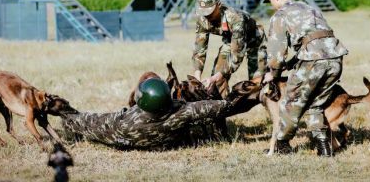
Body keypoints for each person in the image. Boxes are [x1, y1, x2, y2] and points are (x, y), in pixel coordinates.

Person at [262, 0, 348, 157]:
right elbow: (314, 38)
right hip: (335, 59)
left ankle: (282, 146)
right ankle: (324, 148)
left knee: (290, 104)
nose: (271, 4)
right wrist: (294, 62)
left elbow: (276, 52)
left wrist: (274, 73)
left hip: (313, 62)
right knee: (316, 103)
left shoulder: (280, 15)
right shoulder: (310, 8)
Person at [61, 78, 257, 150]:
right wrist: (236, 94)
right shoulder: (180, 113)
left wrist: (68, 116)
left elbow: (90, 122)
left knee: (82, 121)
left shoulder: (122, 123)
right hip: (168, 142)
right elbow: (218, 107)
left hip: (126, 138)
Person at [192, 0, 267, 97]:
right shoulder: (202, 18)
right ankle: (222, 107)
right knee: (216, 83)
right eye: (204, 13)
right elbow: (200, 49)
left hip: (255, 41)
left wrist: (218, 75)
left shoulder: (236, 19)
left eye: (210, 13)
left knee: (258, 84)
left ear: (219, 5)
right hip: (229, 41)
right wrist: (197, 75)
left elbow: (237, 54)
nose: (207, 17)